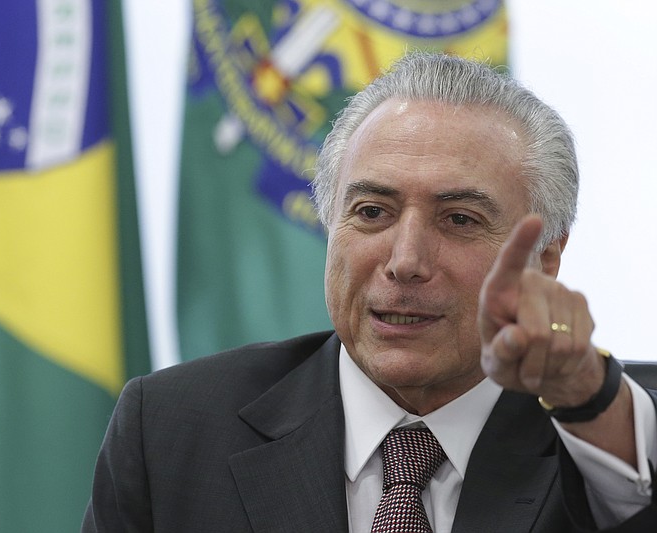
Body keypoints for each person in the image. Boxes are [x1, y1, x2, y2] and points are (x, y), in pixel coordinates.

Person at [81, 52, 657, 532]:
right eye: (372, 211)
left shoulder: (615, 427)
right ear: (331, 225)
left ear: (547, 258)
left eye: (458, 219)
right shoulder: (170, 432)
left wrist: (587, 400)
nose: (405, 262)